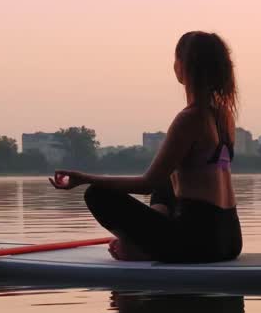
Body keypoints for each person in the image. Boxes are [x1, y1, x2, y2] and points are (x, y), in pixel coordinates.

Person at [49, 31, 243, 263]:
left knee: (97, 194)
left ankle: (135, 249)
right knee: (168, 174)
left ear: (183, 66)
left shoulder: (190, 118)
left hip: (198, 244)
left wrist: (83, 178)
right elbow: (163, 181)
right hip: (230, 238)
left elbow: (146, 185)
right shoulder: (225, 116)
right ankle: (147, 238)